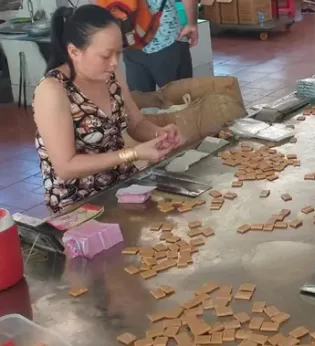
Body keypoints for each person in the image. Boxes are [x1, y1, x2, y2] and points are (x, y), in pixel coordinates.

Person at [33, 5, 184, 214]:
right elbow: (65, 167)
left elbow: (136, 124)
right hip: (79, 203)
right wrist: (132, 153)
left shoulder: (110, 76)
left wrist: (160, 134)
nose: (114, 63)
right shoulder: (53, 90)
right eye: (105, 56)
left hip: (122, 188)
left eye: (118, 54)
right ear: (74, 52)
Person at [122, 0, 199, 92]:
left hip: (132, 40)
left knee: (142, 101)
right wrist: (192, 24)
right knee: (180, 99)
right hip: (166, 38)